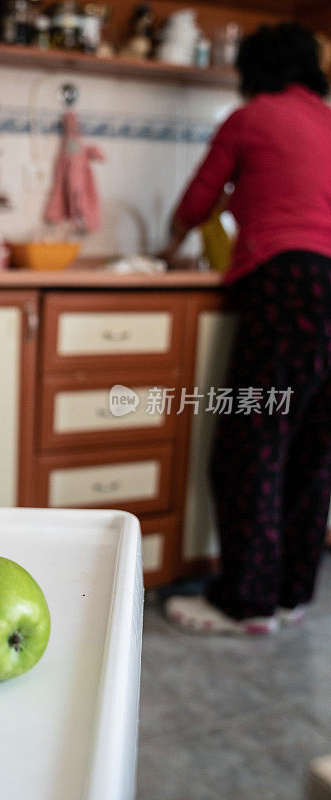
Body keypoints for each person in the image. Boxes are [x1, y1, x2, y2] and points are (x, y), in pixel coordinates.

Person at [161, 23, 331, 635]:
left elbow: (198, 200)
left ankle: (245, 602)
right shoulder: (328, 120)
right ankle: (290, 594)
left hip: (287, 284)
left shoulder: (252, 116)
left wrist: (169, 245)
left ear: (255, 68)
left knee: (252, 446)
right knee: (313, 452)